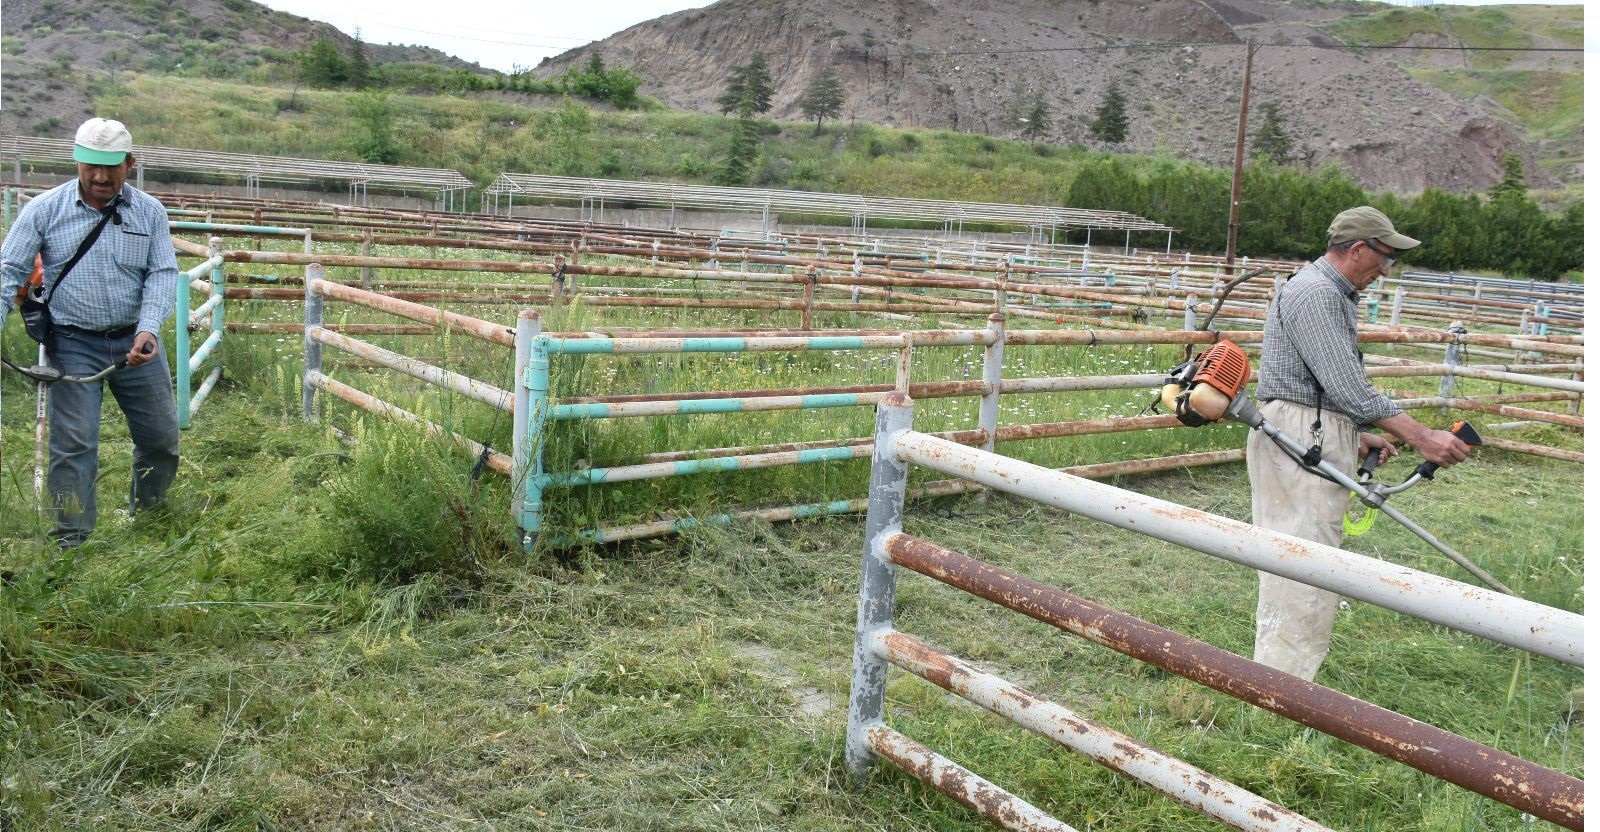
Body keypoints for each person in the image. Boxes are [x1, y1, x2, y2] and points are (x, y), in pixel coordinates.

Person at [1247, 206, 1471, 681]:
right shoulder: (1315, 293)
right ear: (1356, 249)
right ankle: (1282, 686)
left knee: (1303, 550)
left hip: (1309, 426)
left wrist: (1352, 431)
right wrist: (1423, 437)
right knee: (1301, 557)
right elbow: (1349, 388)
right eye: (1385, 257)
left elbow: (1319, 384)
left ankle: (1283, 674)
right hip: (1302, 432)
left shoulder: (1324, 290)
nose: (1386, 270)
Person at [0, 117, 180, 548]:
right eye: (89, 166)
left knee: (160, 440)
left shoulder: (150, 212)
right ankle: (70, 541)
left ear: (130, 163)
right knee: (74, 445)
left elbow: (162, 273)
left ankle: (148, 514)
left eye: (110, 167)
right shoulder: (44, 210)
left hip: (135, 343)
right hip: (72, 342)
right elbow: (8, 271)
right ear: (77, 161)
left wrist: (149, 329)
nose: (100, 177)